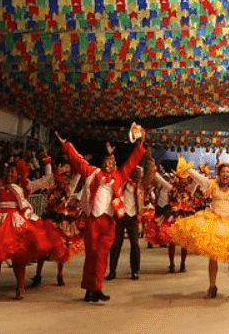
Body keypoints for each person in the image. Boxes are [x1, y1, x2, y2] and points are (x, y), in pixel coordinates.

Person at [0, 158, 67, 302]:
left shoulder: (24, 186)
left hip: (13, 224)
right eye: (8, 170)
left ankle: (20, 289)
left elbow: (43, 181)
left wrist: (49, 166)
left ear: (18, 174)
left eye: (12, 171)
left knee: (18, 258)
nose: (9, 173)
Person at [55, 129, 147, 303]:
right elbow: (78, 160)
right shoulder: (93, 173)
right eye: (106, 161)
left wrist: (140, 143)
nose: (109, 164)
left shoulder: (120, 175)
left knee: (102, 254)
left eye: (112, 161)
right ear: (102, 162)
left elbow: (133, 161)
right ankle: (90, 290)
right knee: (91, 255)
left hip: (109, 221)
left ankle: (96, 288)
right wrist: (66, 145)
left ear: (115, 163)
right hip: (93, 221)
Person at [170, 159, 229, 299]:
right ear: (219, 174)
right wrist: (187, 169)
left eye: (228, 172)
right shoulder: (211, 184)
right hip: (214, 222)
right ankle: (212, 286)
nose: (225, 174)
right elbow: (196, 176)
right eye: (222, 172)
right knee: (213, 257)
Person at [32, 158, 83, 287]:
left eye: (66, 176)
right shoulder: (51, 187)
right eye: (62, 176)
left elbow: (77, 176)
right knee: (44, 249)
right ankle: (38, 275)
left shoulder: (68, 189)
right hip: (49, 220)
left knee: (62, 248)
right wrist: (48, 163)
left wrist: (78, 162)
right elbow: (49, 176)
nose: (65, 178)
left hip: (61, 221)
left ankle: (59, 275)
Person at [106, 164, 144, 281]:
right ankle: (112, 271)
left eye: (140, 172)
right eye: (136, 172)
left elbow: (150, 177)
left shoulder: (140, 185)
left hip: (133, 216)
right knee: (116, 244)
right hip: (120, 216)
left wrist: (150, 161)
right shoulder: (121, 182)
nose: (138, 174)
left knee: (135, 245)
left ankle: (135, 271)